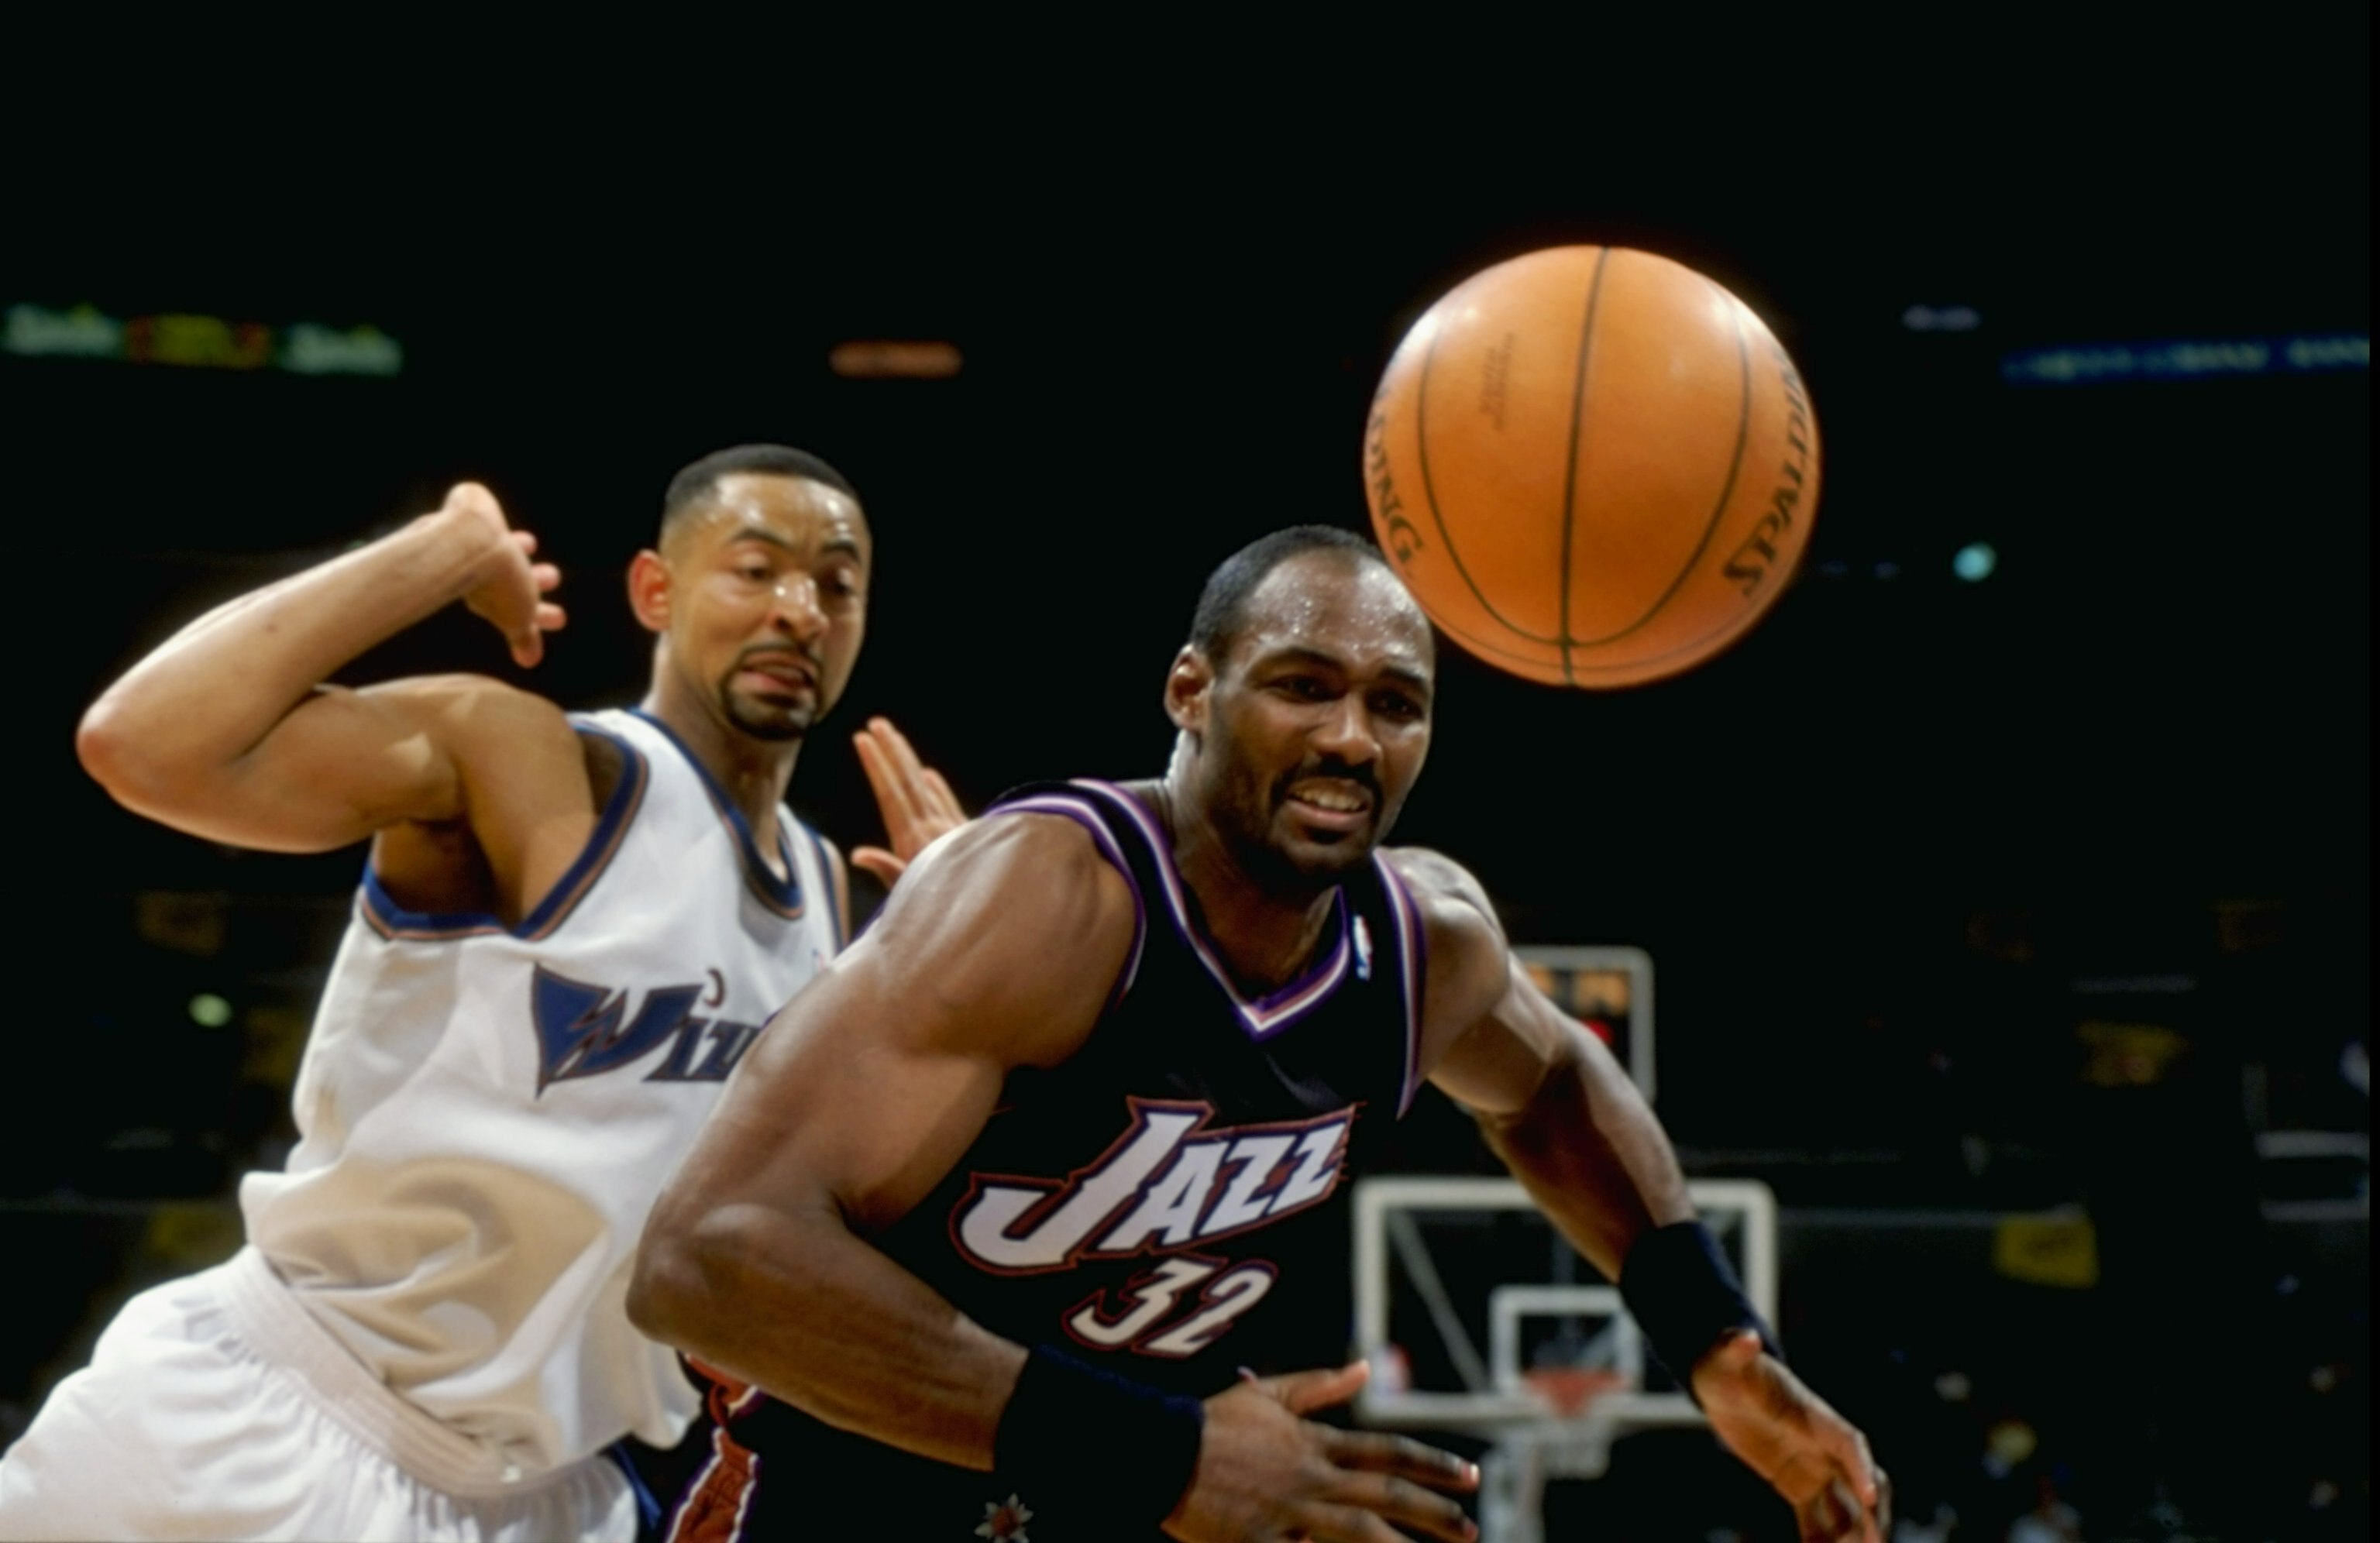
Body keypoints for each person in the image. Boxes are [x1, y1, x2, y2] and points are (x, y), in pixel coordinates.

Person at [627, 526, 1891, 1542]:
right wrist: (1165, 1452)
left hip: (1124, 1494)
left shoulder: (1422, 945)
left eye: (1397, 703)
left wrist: (1719, 1344)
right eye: (1304, 686)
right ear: (1191, 689)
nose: (1352, 736)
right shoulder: (1056, 902)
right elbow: (706, 1258)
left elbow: (1555, 1084)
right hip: (859, 1496)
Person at [0, 445, 961, 1542]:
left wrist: (972, 937)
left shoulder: (839, 897)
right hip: (279, 1422)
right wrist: (440, 550)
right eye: (756, 569)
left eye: (836, 585)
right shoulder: (542, 763)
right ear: (658, 589)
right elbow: (141, 744)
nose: (799, 610)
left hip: (548, 1494)